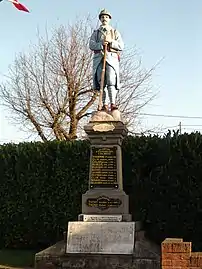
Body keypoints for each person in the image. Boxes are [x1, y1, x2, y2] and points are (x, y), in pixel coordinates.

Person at [89, 9, 124, 112]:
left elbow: (121, 46)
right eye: (102, 17)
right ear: (100, 19)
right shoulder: (96, 33)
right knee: (101, 82)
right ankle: (104, 104)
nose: (104, 18)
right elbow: (91, 44)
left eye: (106, 17)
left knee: (111, 81)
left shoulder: (114, 32)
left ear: (109, 19)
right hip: (99, 59)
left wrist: (111, 42)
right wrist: (100, 45)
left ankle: (112, 103)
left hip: (111, 59)